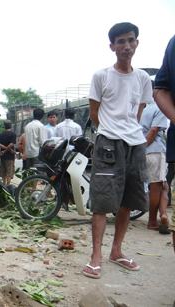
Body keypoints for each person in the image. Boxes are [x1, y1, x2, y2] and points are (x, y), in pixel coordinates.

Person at [83, 22, 152, 279]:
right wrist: (112, 132)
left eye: (130, 40)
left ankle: (116, 251)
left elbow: (138, 113)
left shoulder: (143, 78)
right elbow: (94, 113)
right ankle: (95, 256)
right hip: (108, 144)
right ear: (112, 46)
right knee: (101, 201)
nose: (126, 46)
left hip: (136, 145)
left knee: (128, 201)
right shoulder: (101, 76)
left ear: (137, 43)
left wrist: (129, 134)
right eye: (120, 41)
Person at [153, 34, 175, 252]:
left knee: (161, 185)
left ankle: (160, 216)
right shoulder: (173, 44)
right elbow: (161, 89)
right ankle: (160, 216)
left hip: (155, 152)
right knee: (161, 186)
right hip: (157, 152)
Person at [140, 96, 170, 234]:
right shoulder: (160, 108)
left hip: (143, 152)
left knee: (162, 186)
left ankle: (162, 214)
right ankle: (153, 220)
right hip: (155, 151)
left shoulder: (143, 109)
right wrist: (145, 147)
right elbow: (153, 131)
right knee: (157, 187)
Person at [0, 120, 16, 185]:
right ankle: (8, 186)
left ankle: (4, 185)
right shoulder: (13, 134)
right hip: (10, 156)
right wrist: (8, 150)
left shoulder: (0, 135)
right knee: (9, 172)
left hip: (3, 156)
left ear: (4, 126)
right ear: (10, 125)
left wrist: (4, 150)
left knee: (3, 171)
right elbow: (11, 144)